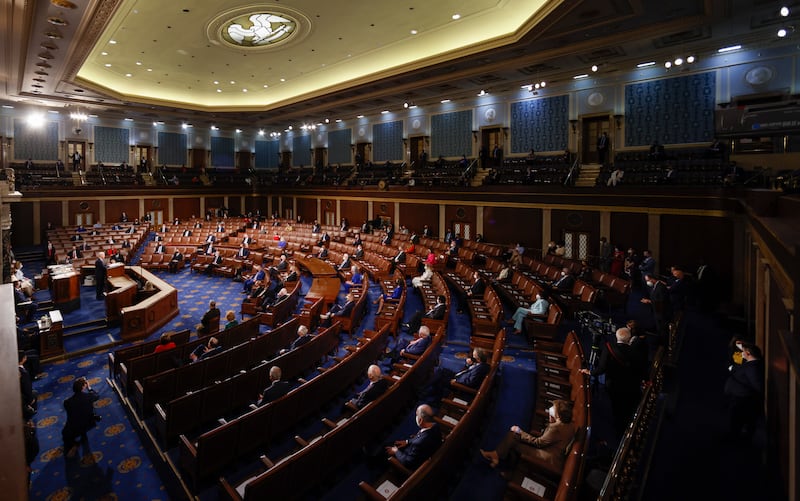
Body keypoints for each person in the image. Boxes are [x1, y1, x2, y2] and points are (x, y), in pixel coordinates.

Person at [480, 399, 575, 471]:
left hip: (547, 456)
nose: (549, 415)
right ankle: (495, 455)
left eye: (551, 414)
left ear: (558, 416)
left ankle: (509, 471)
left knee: (514, 442)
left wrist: (520, 431)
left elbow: (538, 443)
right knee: (513, 435)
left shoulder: (555, 428)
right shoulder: (570, 424)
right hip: (550, 450)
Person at [581, 327, 642, 437]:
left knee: (616, 407)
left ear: (616, 337)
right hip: (630, 385)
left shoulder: (609, 348)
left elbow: (601, 368)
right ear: (629, 339)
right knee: (627, 407)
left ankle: (619, 429)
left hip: (613, 385)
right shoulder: (635, 351)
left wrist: (590, 372)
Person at [723, 342, 764, 439]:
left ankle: (734, 438)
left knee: (735, 419)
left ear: (749, 353)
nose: (742, 353)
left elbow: (757, 385)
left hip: (740, 398)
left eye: (744, 352)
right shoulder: (750, 364)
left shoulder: (752, 368)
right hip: (739, 396)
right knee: (735, 419)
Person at [384, 404, 442, 470]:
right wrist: (407, 441)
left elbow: (408, 462)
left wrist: (396, 451)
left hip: (414, 463)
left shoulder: (418, 443)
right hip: (425, 451)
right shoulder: (435, 426)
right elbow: (421, 437)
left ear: (420, 420)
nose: (415, 416)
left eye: (416, 415)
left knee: (387, 449)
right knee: (393, 444)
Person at [61, 377, 99, 458]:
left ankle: (75, 444)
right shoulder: (89, 397)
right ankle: (82, 436)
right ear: (83, 387)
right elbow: (97, 395)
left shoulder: (67, 402)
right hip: (89, 422)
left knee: (65, 434)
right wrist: (89, 388)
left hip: (74, 426)